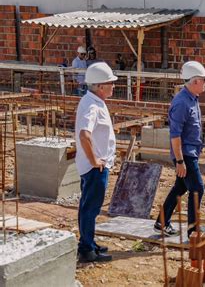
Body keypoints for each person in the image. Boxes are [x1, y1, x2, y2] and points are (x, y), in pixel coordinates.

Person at [154, 61, 205, 237]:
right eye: (204, 80)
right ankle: (193, 230)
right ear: (194, 81)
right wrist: (180, 161)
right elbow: (175, 135)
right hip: (184, 155)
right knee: (197, 188)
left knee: (180, 187)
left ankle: (161, 222)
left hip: (190, 152)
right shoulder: (181, 103)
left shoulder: (192, 98)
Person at [75, 62, 117, 262]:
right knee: (90, 207)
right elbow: (85, 135)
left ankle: (88, 242)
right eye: (110, 83)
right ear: (100, 86)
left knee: (88, 206)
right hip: (94, 168)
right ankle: (86, 249)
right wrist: (95, 161)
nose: (113, 86)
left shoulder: (93, 101)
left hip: (95, 166)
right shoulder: (91, 105)